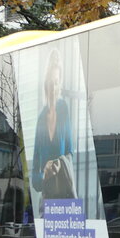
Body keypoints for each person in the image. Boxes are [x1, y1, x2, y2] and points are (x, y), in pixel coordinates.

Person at [31, 48, 75, 200]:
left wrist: (59, 165)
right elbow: (34, 179)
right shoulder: (40, 119)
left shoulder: (64, 110)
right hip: (47, 199)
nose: (53, 88)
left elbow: (70, 153)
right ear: (45, 84)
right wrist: (44, 173)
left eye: (56, 83)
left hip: (65, 197)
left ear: (60, 84)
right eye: (50, 83)